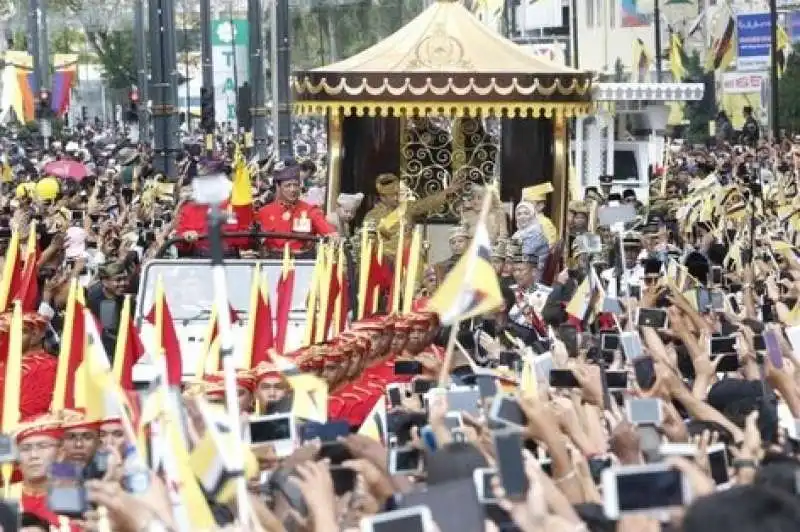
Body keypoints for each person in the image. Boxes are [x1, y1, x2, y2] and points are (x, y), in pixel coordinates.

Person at [363, 172, 465, 258]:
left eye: (397, 194)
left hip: (408, 256)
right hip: (385, 260)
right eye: (392, 196)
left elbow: (427, 203)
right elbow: (368, 243)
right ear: (382, 197)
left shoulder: (407, 208)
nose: (396, 198)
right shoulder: (372, 216)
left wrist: (447, 192)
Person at [256, 164, 336, 256]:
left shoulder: (310, 210)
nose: (293, 189)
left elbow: (327, 230)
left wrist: (333, 235)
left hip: (301, 262)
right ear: (278, 187)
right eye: (288, 186)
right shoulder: (264, 212)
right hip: (273, 262)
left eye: (296, 185)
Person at [85, 262, 126, 358]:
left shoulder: (123, 299)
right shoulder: (93, 300)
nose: (123, 283)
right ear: (105, 281)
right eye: (118, 280)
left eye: (124, 279)